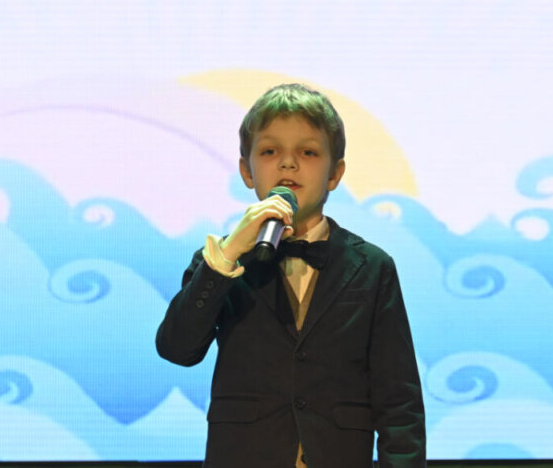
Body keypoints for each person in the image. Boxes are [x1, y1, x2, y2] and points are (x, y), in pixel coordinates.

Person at [156, 84, 425, 467]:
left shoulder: (372, 267)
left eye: (308, 152)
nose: (287, 164)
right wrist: (229, 255)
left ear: (335, 174)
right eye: (270, 151)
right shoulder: (220, 262)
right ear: (246, 171)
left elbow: (399, 403)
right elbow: (177, 349)